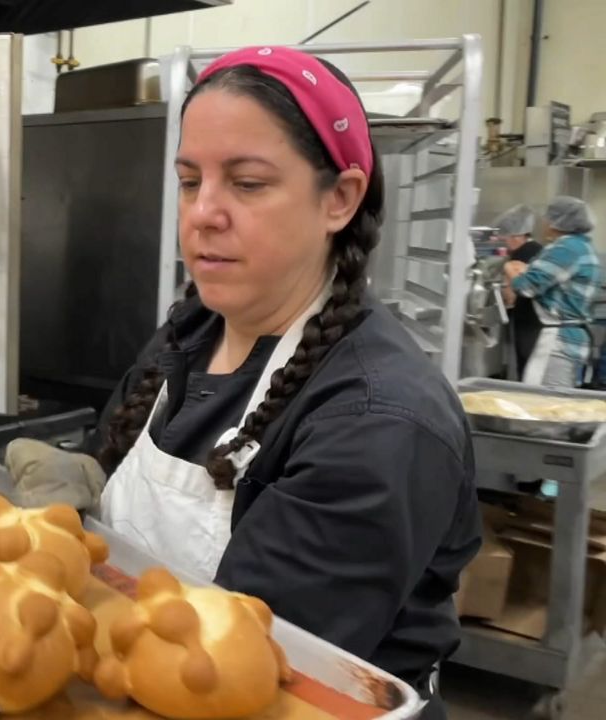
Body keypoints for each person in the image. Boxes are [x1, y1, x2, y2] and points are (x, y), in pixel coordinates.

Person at [88, 46, 480, 718]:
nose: (202, 212)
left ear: (340, 199)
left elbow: (239, 672)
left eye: (247, 183)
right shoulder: (189, 336)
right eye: (190, 180)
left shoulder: (378, 421)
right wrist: (79, 489)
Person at [504, 196, 601, 387]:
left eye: (548, 217)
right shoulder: (583, 247)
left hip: (558, 344)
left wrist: (510, 269)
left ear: (558, 222)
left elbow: (526, 287)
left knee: (547, 404)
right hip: (572, 339)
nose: (544, 221)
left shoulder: (565, 248)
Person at [492, 205, 542, 377]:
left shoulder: (525, 253)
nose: (504, 242)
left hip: (530, 319)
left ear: (517, 236)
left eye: (506, 237)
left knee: (526, 364)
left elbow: (513, 291)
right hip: (532, 318)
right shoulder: (536, 249)